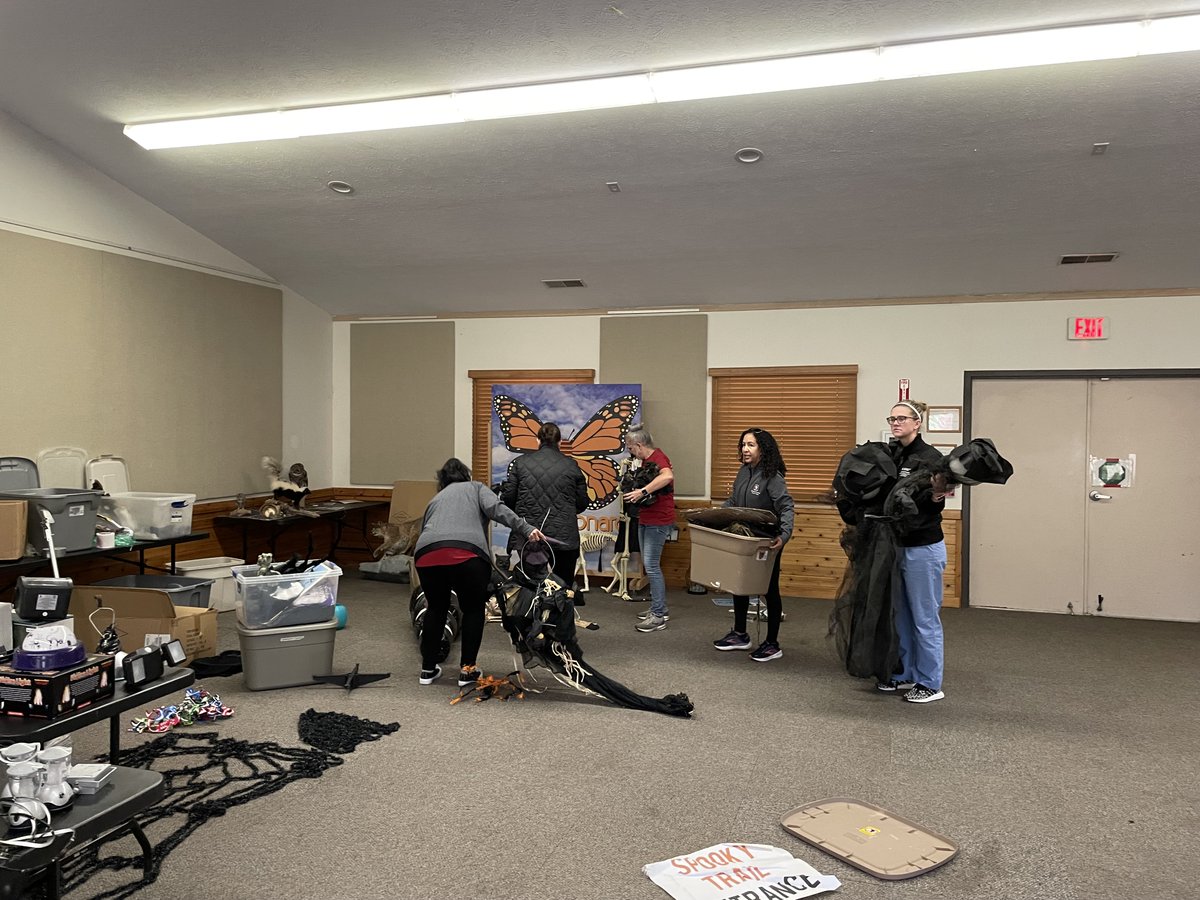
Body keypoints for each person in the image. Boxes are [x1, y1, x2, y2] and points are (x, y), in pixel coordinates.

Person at [413, 458, 545, 687]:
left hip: (427, 555)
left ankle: (427, 670)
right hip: (468, 555)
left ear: (442, 481)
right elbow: (497, 509)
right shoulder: (476, 488)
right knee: (473, 609)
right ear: (466, 475)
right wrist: (526, 528)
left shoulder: (435, 499)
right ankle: (467, 671)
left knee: (436, 608)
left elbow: (425, 528)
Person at [878, 400, 948, 703]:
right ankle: (906, 673)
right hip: (897, 544)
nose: (896, 423)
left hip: (923, 547)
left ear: (917, 423)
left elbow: (939, 500)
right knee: (902, 615)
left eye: (902, 418)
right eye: (892, 418)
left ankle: (931, 683)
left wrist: (936, 493)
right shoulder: (892, 454)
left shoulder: (931, 457)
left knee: (924, 617)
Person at [712, 428, 795, 661]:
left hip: (768, 541)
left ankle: (772, 644)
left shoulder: (773, 477)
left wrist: (785, 535)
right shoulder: (743, 472)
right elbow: (735, 501)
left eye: (751, 445)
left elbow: (786, 506)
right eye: (743, 444)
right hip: (744, 538)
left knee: (769, 589)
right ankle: (740, 634)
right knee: (740, 584)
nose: (745, 449)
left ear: (763, 449)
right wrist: (715, 514)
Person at [500, 422, 590, 595]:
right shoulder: (571, 465)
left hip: (530, 534)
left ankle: (530, 619)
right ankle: (560, 620)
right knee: (563, 588)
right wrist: (564, 512)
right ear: (560, 442)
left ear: (537, 440)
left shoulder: (520, 463)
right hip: (564, 535)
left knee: (530, 586)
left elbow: (509, 498)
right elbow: (582, 502)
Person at [624, 425, 675, 632]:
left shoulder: (658, 457)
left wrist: (642, 491)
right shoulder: (645, 461)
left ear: (638, 444)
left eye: (630, 446)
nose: (629, 450)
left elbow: (667, 476)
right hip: (645, 517)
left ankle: (658, 616)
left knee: (652, 566)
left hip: (658, 520)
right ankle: (658, 607)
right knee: (649, 565)